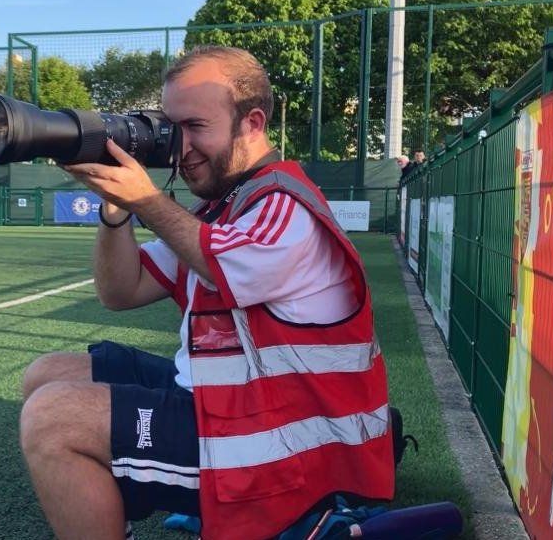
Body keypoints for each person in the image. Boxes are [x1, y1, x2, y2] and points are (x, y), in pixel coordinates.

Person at [20, 46, 394, 540]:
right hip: (237, 405)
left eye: (195, 127)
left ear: (252, 122)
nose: (180, 147)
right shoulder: (221, 211)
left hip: (290, 449)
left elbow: (221, 264)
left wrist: (148, 200)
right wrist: (116, 210)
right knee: (44, 375)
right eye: (171, 129)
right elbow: (120, 290)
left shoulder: (284, 204)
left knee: (53, 419)